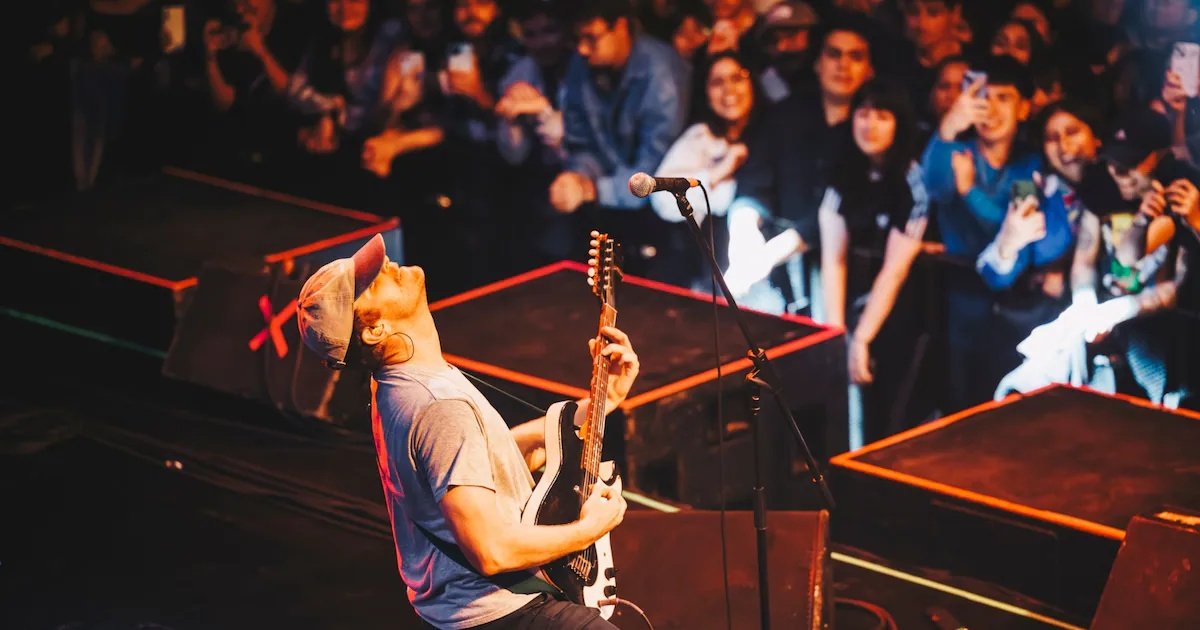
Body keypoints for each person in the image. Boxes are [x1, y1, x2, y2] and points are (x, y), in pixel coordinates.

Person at [296, 235, 639, 629]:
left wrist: (599, 402)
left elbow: (478, 460)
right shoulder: (437, 404)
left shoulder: (399, 383)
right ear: (376, 331)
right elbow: (491, 552)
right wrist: (590, 528)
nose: (387, 264)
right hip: (506, 611)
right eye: (372, 282)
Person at [725, 11, 876, 315]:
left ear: (869, 70)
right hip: (777, 277)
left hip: (848, 279)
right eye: (834, 54)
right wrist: (744, 234)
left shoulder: (873, 130)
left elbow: (851, 207)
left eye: (855, 56)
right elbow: (753, 186)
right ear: (818, 62)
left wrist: (768, 256)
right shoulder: (784, 115)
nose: (843, 64)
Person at [817, 78, 936, 445]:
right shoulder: (842, 172)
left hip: (902, 308)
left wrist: (862, 339)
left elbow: (895, 270)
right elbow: (833, 258)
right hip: (851, 290)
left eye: (882, 116)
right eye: (863, 114)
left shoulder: (912, 179)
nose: (869, 124)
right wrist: (835, 335)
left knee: (892, 415)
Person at [921, 54, 1041, 411]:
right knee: (961, 403)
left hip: (1015, 301)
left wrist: (970, 191)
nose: (991, 108)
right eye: (984, 97)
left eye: (1004, 98)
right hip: (960, 298)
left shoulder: (1030, 162)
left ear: (1024, 108)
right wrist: (948, 127)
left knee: (1011, 408)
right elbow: (934, 185)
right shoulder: (957, 151)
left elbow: (1012, 227)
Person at [552, 0, 691, 274]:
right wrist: (578, 177)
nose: (581, 49)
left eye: (591, 38)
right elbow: (580, 142)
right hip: (606, 209)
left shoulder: (663, 74)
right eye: (577, 39)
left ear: (622, 27)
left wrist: (591, 189)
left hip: (661, 219)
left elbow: (652, 175)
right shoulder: (580, 66)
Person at [649, 50, 756, 290]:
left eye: (737, 78)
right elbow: (662, 200)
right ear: (705, 94)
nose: (729, 89)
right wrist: (719, 172)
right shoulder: (701, 137)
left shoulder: (773, 130)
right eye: (717, 82)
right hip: (713, 278)